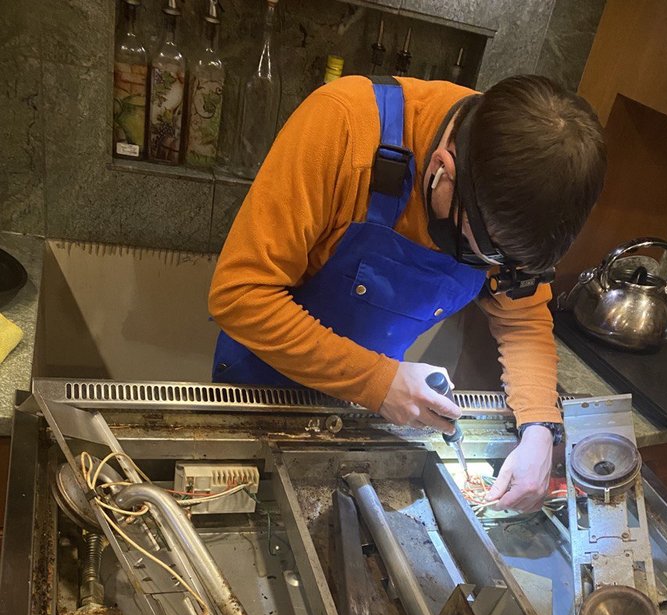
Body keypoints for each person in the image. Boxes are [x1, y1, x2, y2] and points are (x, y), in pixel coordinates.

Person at [209, 74, 606, 510]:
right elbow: (241, 295)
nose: (494, 268)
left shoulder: (519, 185)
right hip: (265, 392)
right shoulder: (343, 126)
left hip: (368, 408)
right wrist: (377, 381)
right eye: (483, 252)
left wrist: (539, 428)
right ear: (442, 171)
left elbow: (524, 318)